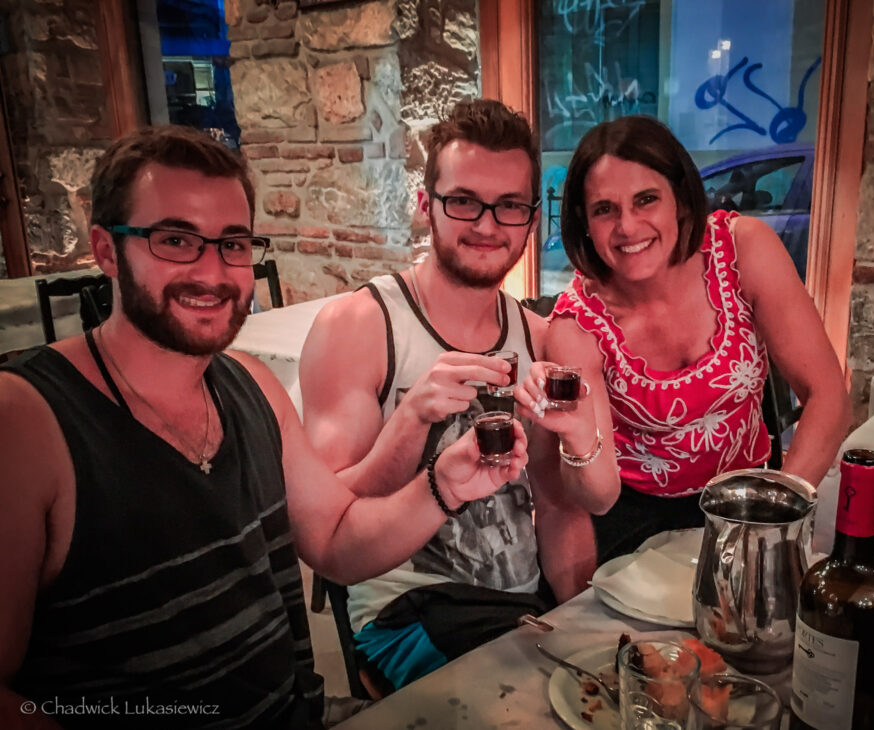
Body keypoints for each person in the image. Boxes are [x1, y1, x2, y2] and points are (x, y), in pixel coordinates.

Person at [0, 125, 528, 730]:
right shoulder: (27, 420)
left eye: (232, 244)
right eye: (175, 239)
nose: (212, 271)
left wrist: (444, 487)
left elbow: (334, 541)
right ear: (106, 249)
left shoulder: (251, 384)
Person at [299, 99, 608, 696]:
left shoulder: (538, 337)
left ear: (530, 218)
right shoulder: (360, 327)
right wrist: (410, 420)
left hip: (516, 612)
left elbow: (563, 512)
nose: (488, 224)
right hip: (408, 614)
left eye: (510, 205)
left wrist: (588, 626)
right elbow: (327, 530)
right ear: (425, 207)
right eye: (464, 201)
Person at [517, 115, 852, 563]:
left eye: (646, 199)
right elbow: (597, 499)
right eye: (605, 209)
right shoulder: (576, 327)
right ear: (584, 222)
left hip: (754, 507)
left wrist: (775, 518)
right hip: (634, 535)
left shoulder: (745, 250)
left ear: (680, 199)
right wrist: (577, 441)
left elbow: (829, 396)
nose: (628, 227)